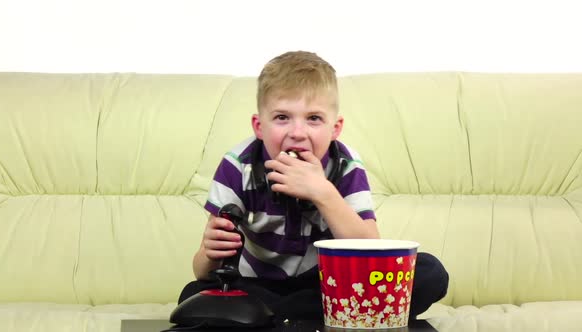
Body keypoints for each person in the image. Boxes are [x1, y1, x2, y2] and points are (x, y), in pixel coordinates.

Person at [178, 51, 448, 320]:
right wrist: (210, 253)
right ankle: (315, 316)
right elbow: (203, 270)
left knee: (429, 273)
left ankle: (272, 318)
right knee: (192, 294)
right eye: (282, 117)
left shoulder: (345, 165)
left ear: (335, 128)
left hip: (329, 285)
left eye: (314, 119)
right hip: (260, 285)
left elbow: (370, 251)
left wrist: (323, 192)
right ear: (259, 126)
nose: (297, 132)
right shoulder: (238, 166)